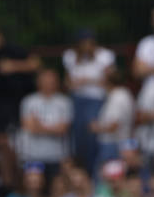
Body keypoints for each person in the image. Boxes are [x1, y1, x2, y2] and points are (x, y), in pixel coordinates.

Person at [62, 28, 115, 172]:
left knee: (92, 135)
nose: (86, 47)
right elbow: (68, 82)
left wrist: (86, 81)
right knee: (78, 138)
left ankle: (92, 169)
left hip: (96, 99)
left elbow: (110, 80)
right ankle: (80, 169)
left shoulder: (105, 55)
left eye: (89, 43)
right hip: (77, 99)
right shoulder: (70, 56)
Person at [18, 68, 72, 176]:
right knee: (33, 186)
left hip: (58, 156)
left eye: (52, 81)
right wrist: (53, 128)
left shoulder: (65, 102)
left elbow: (63, 129)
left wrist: (39, 125)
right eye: (45, 81)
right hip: (32, 156)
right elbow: (29, 128)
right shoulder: (28, 101)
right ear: (39, 82)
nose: (49, 84)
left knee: (57, 188)